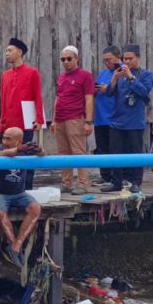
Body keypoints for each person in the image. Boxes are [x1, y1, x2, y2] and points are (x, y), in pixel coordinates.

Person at [100, 44, 153, 194]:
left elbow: (144, 93)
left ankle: (136, 182)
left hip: (135, 122)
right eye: (125, 59)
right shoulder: (119, 74)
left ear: (138, 58)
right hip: (117, 120)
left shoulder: (146, 75)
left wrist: (130, 77)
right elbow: (109, 93)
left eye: (131, 59)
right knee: (115, 153)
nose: (127, 62)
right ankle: (116, 181)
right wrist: (114, 79)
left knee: (136, 153)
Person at [0, 127, 43, 268]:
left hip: (20, 194)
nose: (4, 141)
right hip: (0, 193)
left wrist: (38, 150)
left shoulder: (25, 149)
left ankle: (17, 245)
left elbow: (44, 155)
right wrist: (18, 150)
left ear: (18, 141)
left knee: (35, 208)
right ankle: (12, 245)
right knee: (1, 213)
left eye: (8, 138)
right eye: (4, 137)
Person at [0, 38, 43, 190]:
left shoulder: (32, 72)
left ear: (19, 52)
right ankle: (5, 187)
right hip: (8, 122)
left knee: (27, 154)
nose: (7, 54)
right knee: (5, 155)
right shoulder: (5, 75)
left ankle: (27, 187)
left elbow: (37, 96)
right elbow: (3, 100)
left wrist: (39, 119)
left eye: (10, 50)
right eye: (6, 51)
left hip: (26, 121)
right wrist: (2, 122)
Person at [50, 45, 94, 194]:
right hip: (61, 119)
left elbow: (89, 99)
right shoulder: (61, 77)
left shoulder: (85, 75)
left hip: (76, 118)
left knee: (79, 152)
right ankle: (67, 182)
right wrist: (54, 120)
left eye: (69, 58)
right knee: (63, 153)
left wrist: (88, 122)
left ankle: (83, 183)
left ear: (76, 58)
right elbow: (58, 98)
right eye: (63, 59)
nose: (66, 62)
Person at [93, 46, 121, 185]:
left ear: (118, 57)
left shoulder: (121, 72)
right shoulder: (103, 73)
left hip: (114, 116)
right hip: (100, 116)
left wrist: (108, 88)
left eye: (109, 60)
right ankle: (104, 175)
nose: (107, 63)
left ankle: (117, 177)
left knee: (114, 149)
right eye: (104, 61)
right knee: (102, 148)